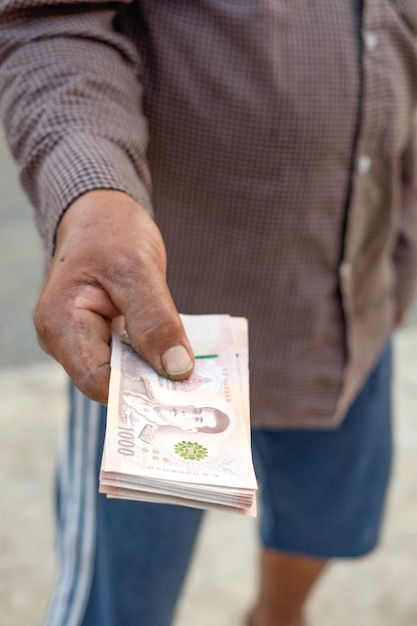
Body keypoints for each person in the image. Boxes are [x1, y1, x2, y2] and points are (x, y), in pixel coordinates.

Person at [0, 2, 416, 625]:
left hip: (351, 303)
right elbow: (48, 21)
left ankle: (276, 617)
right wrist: (93, 195)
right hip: (164, 333)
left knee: (324, 522)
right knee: (126, 597)